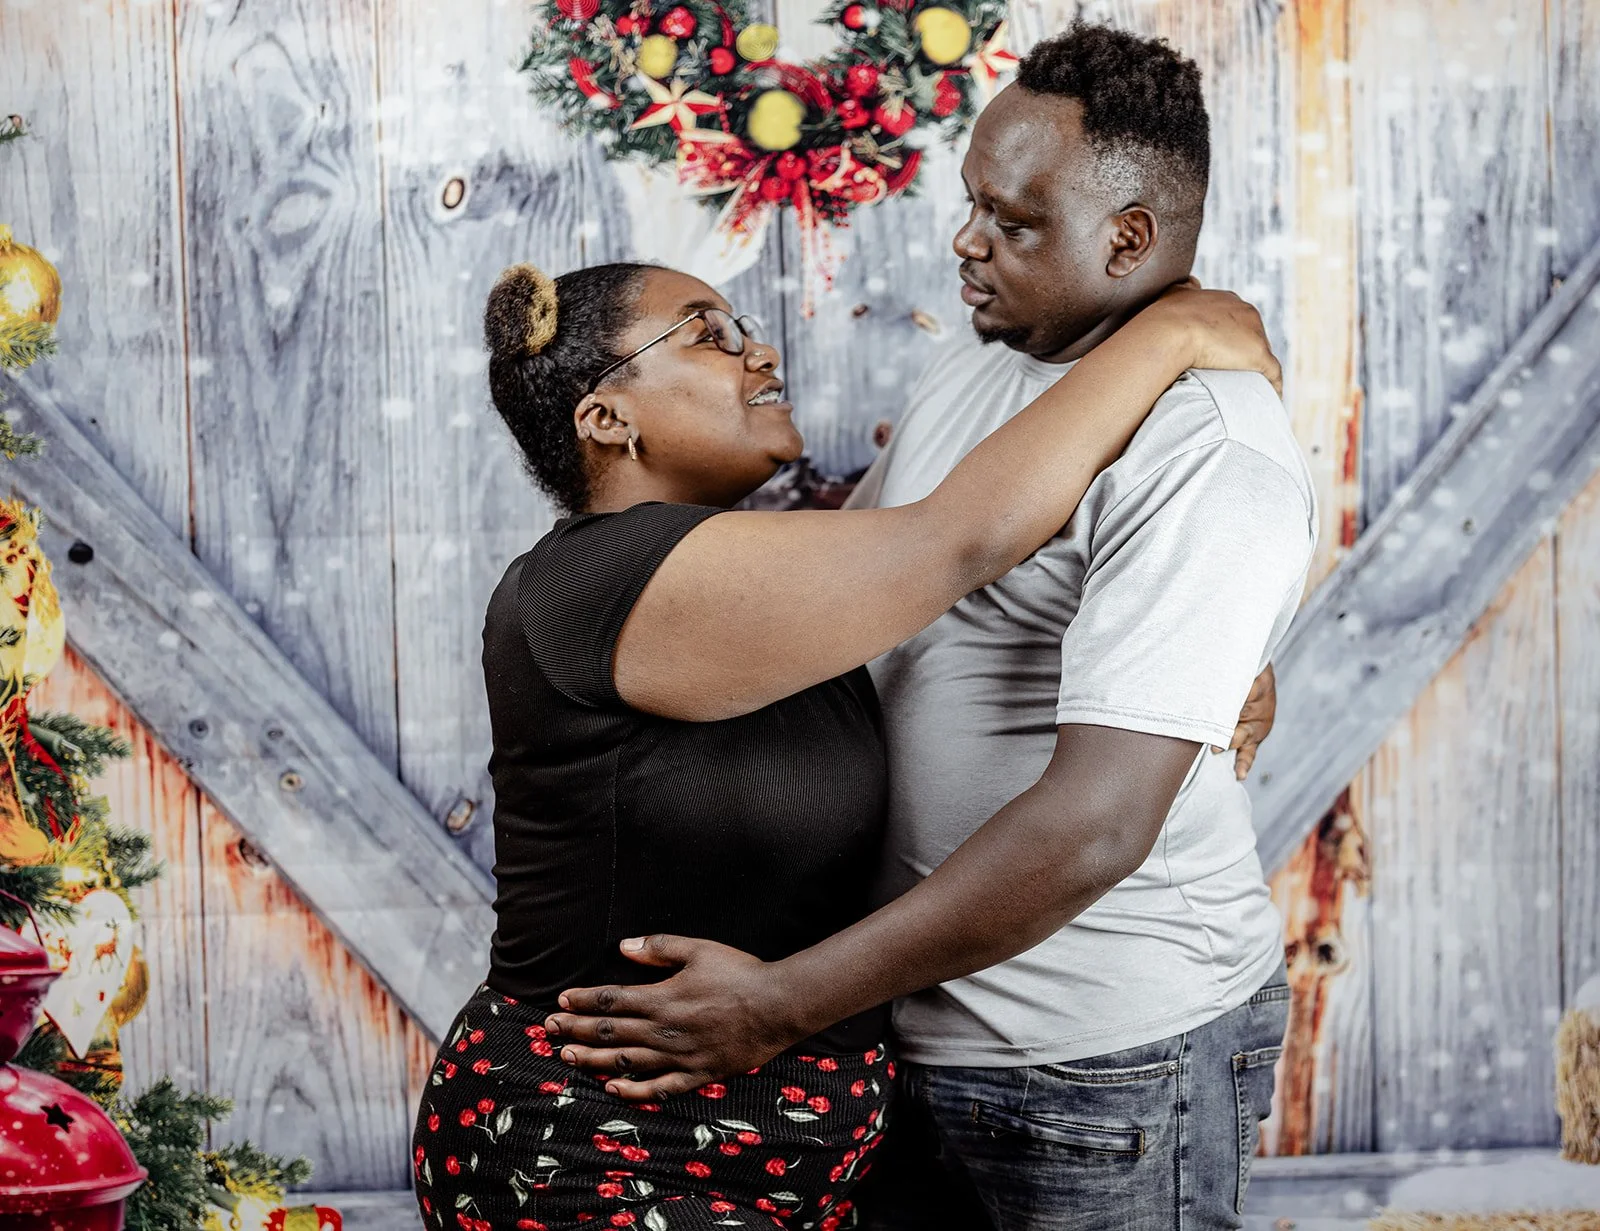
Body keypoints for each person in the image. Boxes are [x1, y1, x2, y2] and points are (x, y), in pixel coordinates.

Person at [540, 22, 1317, 1231]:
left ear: (1127, 236)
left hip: (1094, 1059)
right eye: (972, 205)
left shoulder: (1204, 446)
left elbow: (1096, 825)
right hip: (906, 1027)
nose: (966, 243)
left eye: (1012, 222)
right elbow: (884, 578)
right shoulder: (993, 354)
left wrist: (780, 1002)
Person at [409, 251, 1281, 1231]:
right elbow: (961, 536)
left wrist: (1190, 661)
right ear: (607, 418)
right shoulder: (593, 578)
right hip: (599, 1157)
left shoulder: (780, 571)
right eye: (709, 332)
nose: (761, 351)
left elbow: (983, 604)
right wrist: (1169, 335)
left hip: (802, 1166)